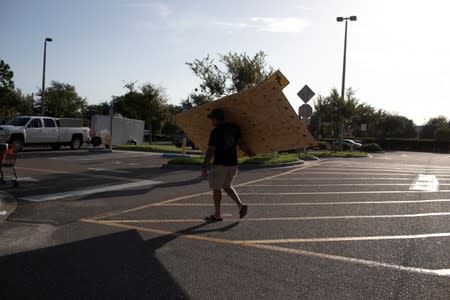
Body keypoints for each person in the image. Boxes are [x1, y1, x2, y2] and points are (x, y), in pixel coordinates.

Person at [201, 108, 255, 221]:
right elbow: (241, 143)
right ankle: (241, 206)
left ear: (216, 119)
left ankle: (217, 215)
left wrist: (204, 166)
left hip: (220, 165)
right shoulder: (234, 128)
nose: (211, 121)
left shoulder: (216, 131)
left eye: (212, 119)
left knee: (216, 189)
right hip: (233, 164)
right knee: (226, 186)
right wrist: (248, 152)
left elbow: (211, 150)